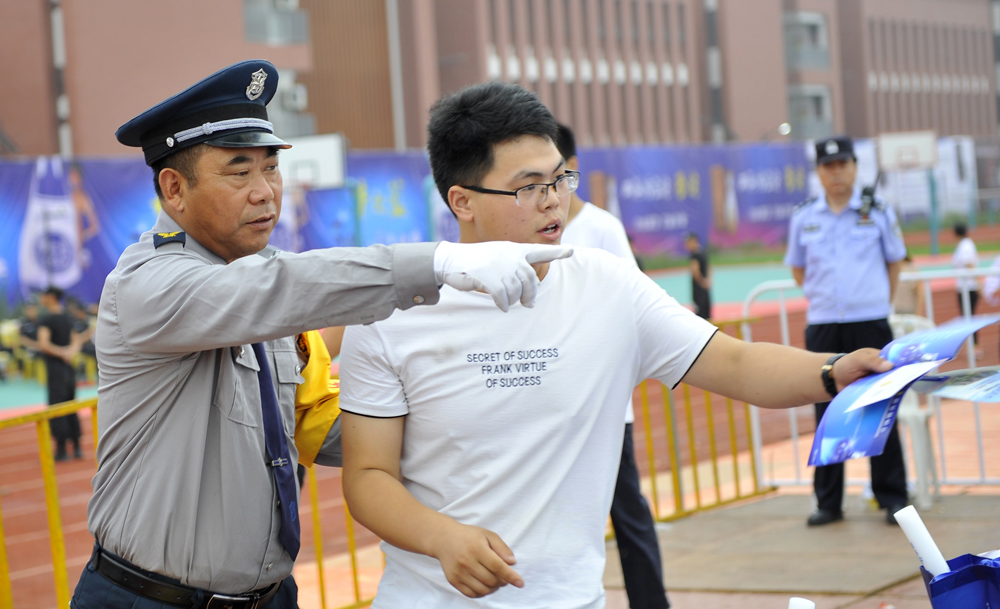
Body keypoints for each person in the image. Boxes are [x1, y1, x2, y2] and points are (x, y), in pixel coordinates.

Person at [338, 82, 893, 608]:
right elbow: (367, 477)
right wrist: (439, 537)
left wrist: (834, 371)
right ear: (462, 201)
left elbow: (737, 362)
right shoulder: (392, 313)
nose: (554, 202)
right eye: (529, 187)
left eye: (561, 179)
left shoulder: (607, 284)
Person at [69, 60, 572, 609]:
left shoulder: (264, 284)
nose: (265, 192)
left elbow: (313, 427)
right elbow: (274, 290)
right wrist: (437, 262)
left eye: (271, 169)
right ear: (174, 188)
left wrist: (476, 417)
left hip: (271, 596)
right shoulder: (148, 285)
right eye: (239, 173)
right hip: (149, 599)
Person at [557, 123, 669, 609]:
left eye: (555, 175)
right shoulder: (522, 233)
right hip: (551, 405)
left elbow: (632, 307)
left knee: (627, 513)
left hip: (603, 407)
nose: (547, 192)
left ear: (572, 169)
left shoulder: (601, 228)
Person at [785, 135, 909, 528]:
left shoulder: (879, 211)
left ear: (855, 167)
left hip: (870, 322)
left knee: (880, 407)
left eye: (842, 164)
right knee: (826, 412)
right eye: (828, 166)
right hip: (823, 324)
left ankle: (893, 497)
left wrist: (875, 302)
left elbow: (894, 262)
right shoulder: (804, 217)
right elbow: (798, 268)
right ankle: (828, 502)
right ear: (819, 172)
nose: (836, 172)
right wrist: (825, 299)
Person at [36, 286, 84, 460]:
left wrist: (61, 352)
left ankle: (62, 449)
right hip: (69, 367)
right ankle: (77, 447)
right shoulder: (67, 317)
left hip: (55, 368)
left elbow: (44, 344)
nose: (41, 298)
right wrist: (69, 352)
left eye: (43, 295)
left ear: (51, 297)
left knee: (56, 406)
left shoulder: (46, 319)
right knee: (71, 404)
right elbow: (76, 341)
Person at [952, 221, 981, 356]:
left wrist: (977, 282)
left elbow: (970, 264)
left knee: (969, 318)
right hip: (965, 287)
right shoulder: (965, 244)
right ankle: (973, 346)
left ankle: (975, 347)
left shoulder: (965, 245)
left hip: (968, 288)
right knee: (968, 317)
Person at [685, 232, 711, 320]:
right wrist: (708, 281)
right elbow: (709, 268)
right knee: (707, 315)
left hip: (699, 291)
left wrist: (702, 283)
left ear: (693, 241)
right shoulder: (703, 252)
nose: (686, 245)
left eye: (688, 242)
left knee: (700, 316)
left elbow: (695, 272)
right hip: (705, 289)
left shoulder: (695, 256)